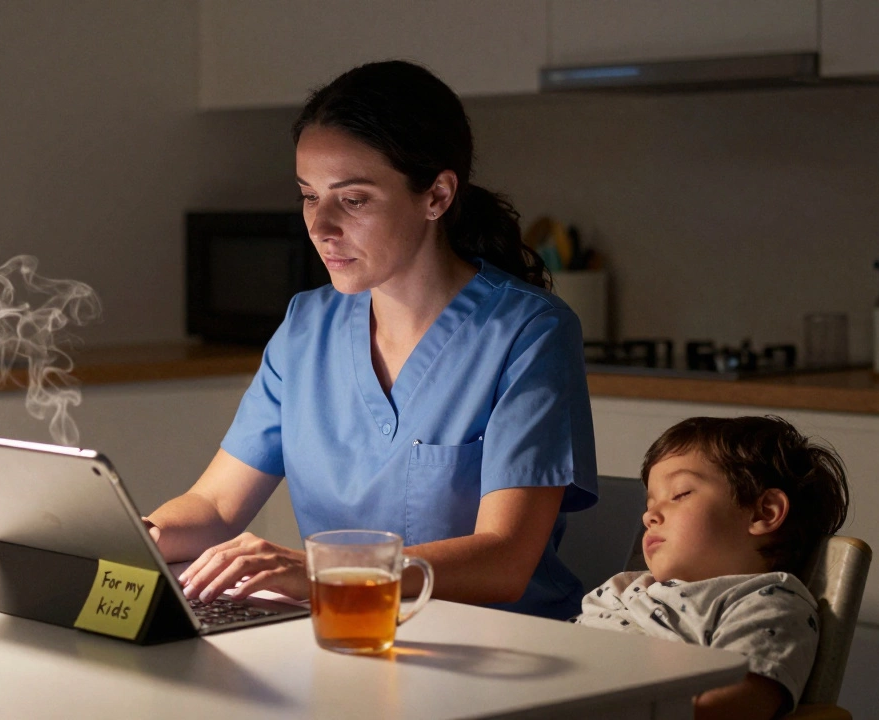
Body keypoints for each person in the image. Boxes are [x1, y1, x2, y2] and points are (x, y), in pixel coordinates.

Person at [145, 60, 598, 620]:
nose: (320, 226)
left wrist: (322, 573)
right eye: (309, 196)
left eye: (353, 200)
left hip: (499, 649)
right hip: (349, 635)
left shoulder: (529, 332)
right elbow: (214, 504)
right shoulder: (306, 327)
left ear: (437, 195)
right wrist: (132, 535)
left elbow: (504, 561)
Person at [574, 416, 850, 719]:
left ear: (764, 512)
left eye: (679, 494)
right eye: (649, 504)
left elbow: (732, 706)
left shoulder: (768, 602)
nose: (649, 516)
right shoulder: (624, 588)